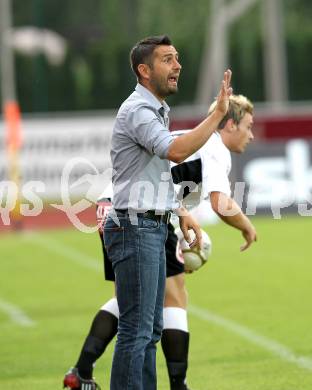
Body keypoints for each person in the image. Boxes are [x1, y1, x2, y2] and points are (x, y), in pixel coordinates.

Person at [63, 93, 256, 390]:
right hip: (139, 212)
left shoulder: (194, 139)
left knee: (132, 302)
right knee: (173, 296)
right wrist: (246, 226)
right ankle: (178, 385)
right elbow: (221, 202)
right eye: (247, 127)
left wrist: (179, 225)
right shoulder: (214, 146)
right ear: (229, 125)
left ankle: (82, 370)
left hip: (115, 205)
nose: (251, 135)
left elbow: (167, 183)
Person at [89, 34, 231, 390]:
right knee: (137, 331)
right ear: (144, 70)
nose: (177, 65)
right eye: (167, 59)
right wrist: (216, 116)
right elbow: (177, 152)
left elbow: (153, 173)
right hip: (134, 228)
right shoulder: (138, 111)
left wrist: (180, 211)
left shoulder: (154, 109)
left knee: (149, 330)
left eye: (177, 58)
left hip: (150, 225)